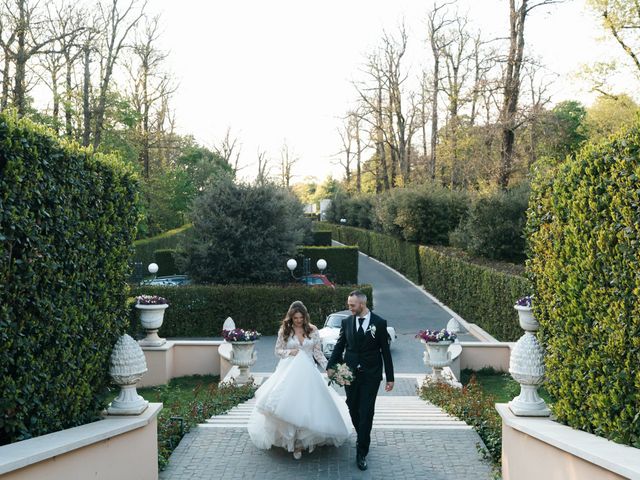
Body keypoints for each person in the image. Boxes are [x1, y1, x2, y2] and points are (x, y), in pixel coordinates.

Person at [247, 301, 352, 459]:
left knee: (308, 406)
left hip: (309, 372)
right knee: (288, 405)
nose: (298, 320)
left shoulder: (313, 330)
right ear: (291, 317)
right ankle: (293, 441)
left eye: (301, 317)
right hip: (289, 372)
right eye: (295, 318)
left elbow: (318, 353)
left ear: (305, 317)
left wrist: (330, 369)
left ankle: (303, 441)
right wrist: (290, 352)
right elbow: (277, 351)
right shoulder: (285, 330)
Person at [327, 290, 394, 471]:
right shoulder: (347, 322)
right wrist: (330, 366)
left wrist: (390, 377)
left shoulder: (379, 323)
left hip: (371, 375)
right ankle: (362, 434)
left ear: (362, 305)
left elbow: (385, 352)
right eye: (349, 304)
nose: (349, 308)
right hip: (349, 374)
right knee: (352, 406)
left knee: (366, 411)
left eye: (352, 305)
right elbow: (340, 345)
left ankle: (361, 450)